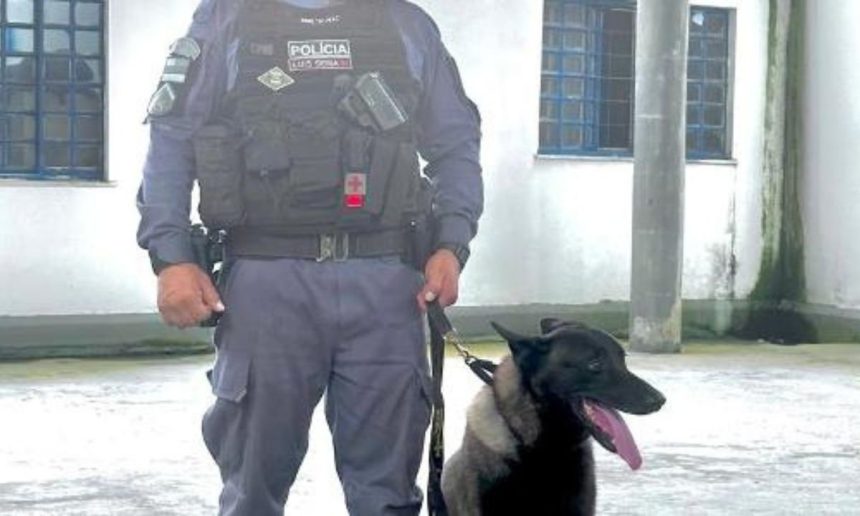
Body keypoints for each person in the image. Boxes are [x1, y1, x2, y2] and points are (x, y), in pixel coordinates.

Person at [135, 0, 483, 514]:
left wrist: (451, 244)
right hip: (266, 280)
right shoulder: (227, 18)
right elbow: (172, 138)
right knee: (252, 488)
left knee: (387, 496)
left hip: (387, 283)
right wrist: (171, 257)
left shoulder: (406, 25)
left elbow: (456, 144)